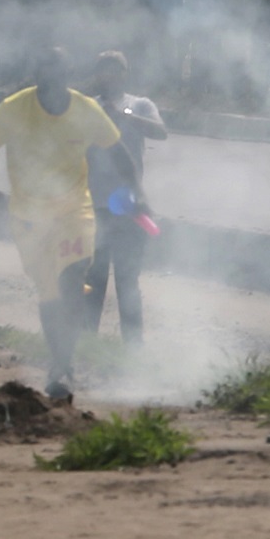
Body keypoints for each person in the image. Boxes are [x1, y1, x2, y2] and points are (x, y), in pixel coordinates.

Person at [0, 47, 145, 399]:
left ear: (67, 76)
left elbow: (119, 153)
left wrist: (138, 194)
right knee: (49, 294)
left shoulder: (86, 110)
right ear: (36, 77)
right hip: (29, 217)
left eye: (57, 74)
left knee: (73, 275)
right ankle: (59, 358)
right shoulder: (14, 108)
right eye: (43, 75)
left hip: (74, 210)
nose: (50, 82)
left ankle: (63, 368)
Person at [83, 51, 167, 349]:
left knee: (128, 282)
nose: (109, 76)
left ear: (124, 74)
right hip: (94, 205)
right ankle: (87, 344)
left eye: (115, 70)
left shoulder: (139, 105)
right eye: (103, 70)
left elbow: (161, 132)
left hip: (130, 206)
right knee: (93, 280)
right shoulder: (88, 106)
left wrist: (125, 118)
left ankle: (133, 348)